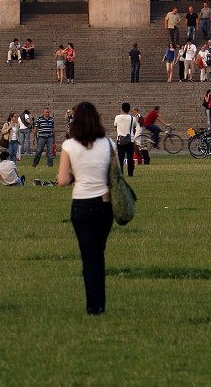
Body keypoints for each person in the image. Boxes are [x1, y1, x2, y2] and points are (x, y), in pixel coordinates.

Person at [57, 102, 114, 315]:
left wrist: (75, 174)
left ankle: (94, 305)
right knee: (99, 253)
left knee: (88, 256)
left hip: (81, 204)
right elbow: (114, 176)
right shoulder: (109, 144)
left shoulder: (69, 146)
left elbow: (62, 180)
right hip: (105, 204)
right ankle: (101, 302)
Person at [113, 103, 137, 178]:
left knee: (120, 157)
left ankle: (121, 173)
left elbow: (115, 125)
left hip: (120, 140)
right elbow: (135, 127)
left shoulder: (117, 117)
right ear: (129, 109)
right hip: (130, 140)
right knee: (130, 157)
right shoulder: (133, 118)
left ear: (122, 109)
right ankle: (130, 173)